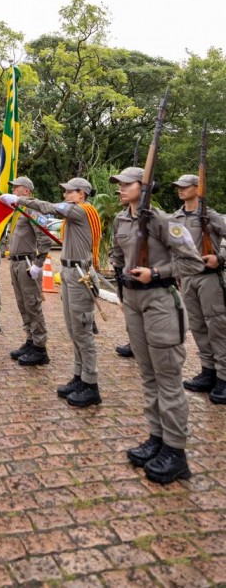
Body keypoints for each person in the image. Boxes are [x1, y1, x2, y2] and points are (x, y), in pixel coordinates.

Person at [110, 166, 205, 484]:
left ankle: (176, 452)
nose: (121, 188)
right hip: (133, 302)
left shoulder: (163, 221)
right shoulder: (121, 219)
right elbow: (117, 256)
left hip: (161, 302)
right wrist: (121, 283)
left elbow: (192, 261)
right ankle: (157, 437)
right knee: (148, 374)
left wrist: (156, 272)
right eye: (119, 184)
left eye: (127, 184)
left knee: (167, 378)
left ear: (145, 186)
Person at [7, 176, 103, 407]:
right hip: (70, 272)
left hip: (80, 275)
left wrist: (19, 200)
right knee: (74, 330)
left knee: (82, 333)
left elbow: (48, 208)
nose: (65, 195)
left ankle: (91, 384)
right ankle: (79, 377)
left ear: (81, 194)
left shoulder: (81, 210)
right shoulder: (74, 214)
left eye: (69, 191)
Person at [171, 173, 226, 403]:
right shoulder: (176, 217)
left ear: (198, 187)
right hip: (187, 279)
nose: (180, 189)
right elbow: (173, 247)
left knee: (217, 326)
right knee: (198, 326)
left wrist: (220, 258)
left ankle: (223, 376)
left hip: (209, 278)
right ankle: (208, 371)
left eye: (185, 186)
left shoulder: (211, 216)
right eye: (179, 186)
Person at [0, 177, 54, 365]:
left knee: (32, 304)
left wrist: (39, 263)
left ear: (27, 191)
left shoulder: (33, 209)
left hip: (27, 263)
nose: (13, 190)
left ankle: (40, 347)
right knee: (22, 304)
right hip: (15, 263)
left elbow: (45, 237)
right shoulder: (18, 210)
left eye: (16, 187)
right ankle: (30, 340)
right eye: (13, 187)